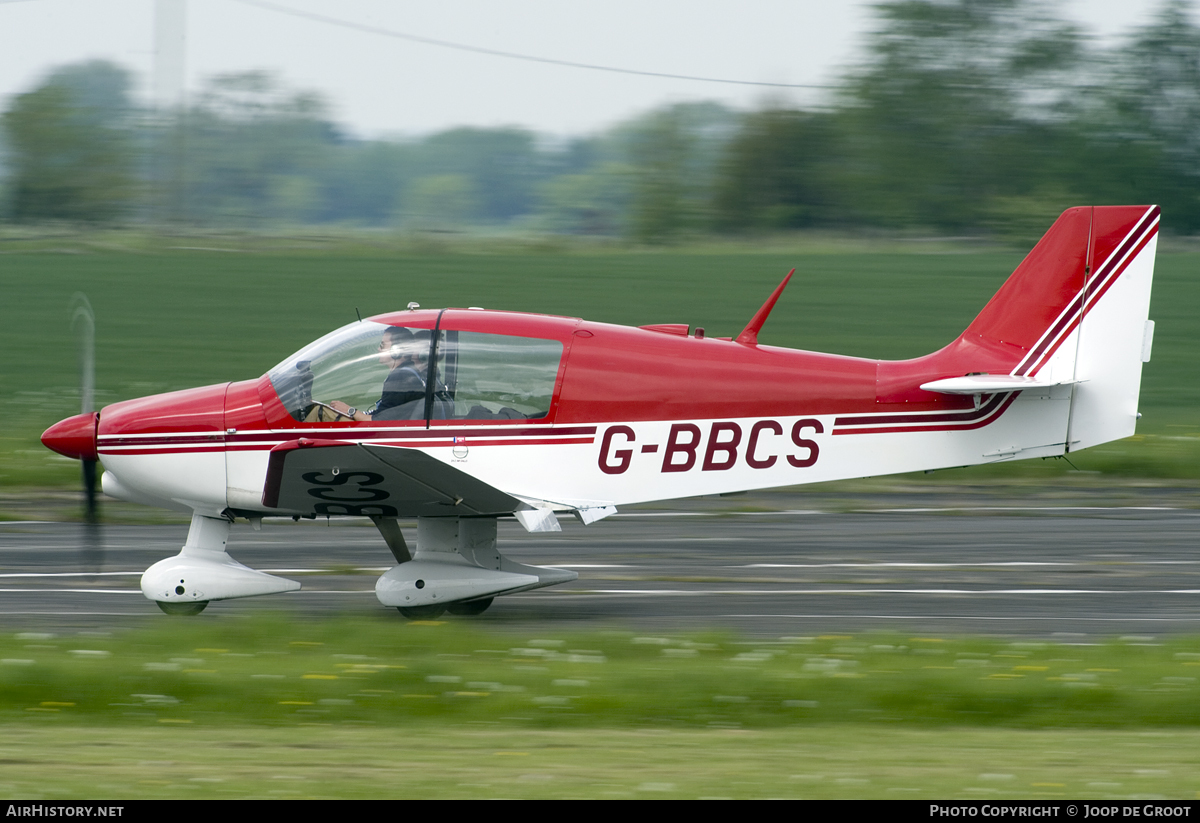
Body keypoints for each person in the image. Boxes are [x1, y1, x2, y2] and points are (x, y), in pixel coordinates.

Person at [325, 326, 426, 421]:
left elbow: (379, 421)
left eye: (382, 345)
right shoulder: (409, 372)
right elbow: (385, 414)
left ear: (397, 351)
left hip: (388, 435)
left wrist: (350, 410)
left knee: (321, 414)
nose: (378, 349)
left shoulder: (400, 378)